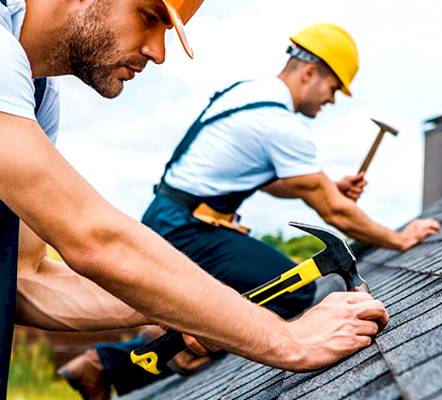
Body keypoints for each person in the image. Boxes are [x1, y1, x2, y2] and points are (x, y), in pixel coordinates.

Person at [1, 0, 388, 397]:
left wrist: (185, 310)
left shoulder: (37, 95)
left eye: (167, 32)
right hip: (186, 220)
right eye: (149, 16)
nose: (158, 51)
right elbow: (95, 239)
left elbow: (27, 281)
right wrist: (288, 340)